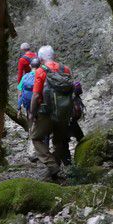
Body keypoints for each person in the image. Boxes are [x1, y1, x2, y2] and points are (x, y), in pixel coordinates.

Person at [29, 45, 73, 178]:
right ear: (54, 56)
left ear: (40, 59)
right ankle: (55, 169)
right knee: (59, 141)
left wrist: (32, 113)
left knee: (35, 138)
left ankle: (52, 166)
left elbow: (36, 96)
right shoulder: (65, 69)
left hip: (46, 113)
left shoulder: (41, 71)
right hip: (64, 112)